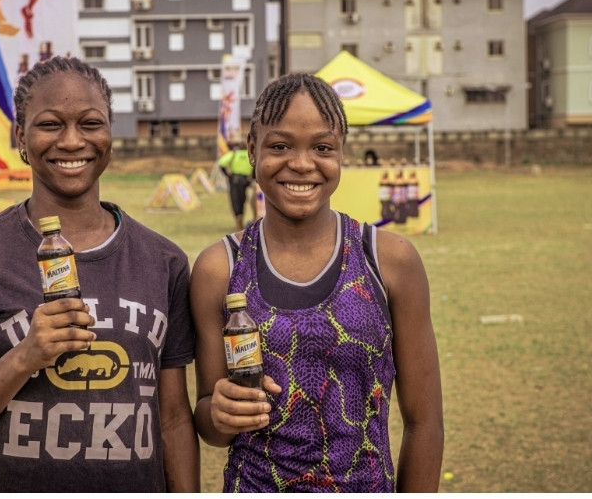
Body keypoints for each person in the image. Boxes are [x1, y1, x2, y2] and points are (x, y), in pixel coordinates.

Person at [0, 56, 199, 493]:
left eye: (90, 123)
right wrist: (24, 357)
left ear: (110, 134)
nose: (72, 141)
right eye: (50, 124)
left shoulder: (164, 261)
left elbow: (175, 418)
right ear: (21, 138)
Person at [190, 73, 443, 492]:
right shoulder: (219, 268)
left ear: (341, 151)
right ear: (252, 150)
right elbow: (210, 423)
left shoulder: (388, 261)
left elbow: (424, 422)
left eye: (322, 148)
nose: (302, 164)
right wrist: (218, 414)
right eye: (280, 146)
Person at [217, 141, 254, 230]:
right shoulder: (249, 155)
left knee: (235, 200)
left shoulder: (234, 154)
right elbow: (255, 166)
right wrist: (252, 177)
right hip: (245, 180)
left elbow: (221, 163)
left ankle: (238, 218)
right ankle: (241, 217)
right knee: (243, 199)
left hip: (235, 180)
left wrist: (227, 174)